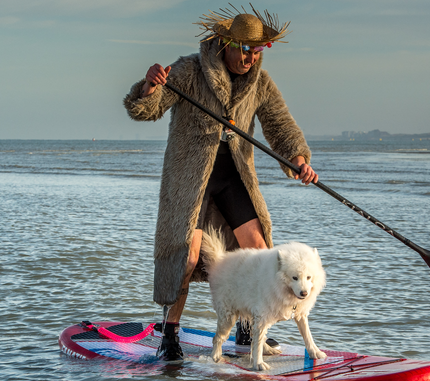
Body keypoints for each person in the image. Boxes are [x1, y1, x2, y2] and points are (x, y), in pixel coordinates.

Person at [123, 6, 318, 360]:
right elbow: (145, 110)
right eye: (243, 49)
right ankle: (170, 332)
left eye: (256, 51)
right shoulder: (188, 70)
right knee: (187, 256)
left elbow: (280, 125)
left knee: (258, 248)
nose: (249, 58)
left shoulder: (260, 81)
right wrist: (150, 85)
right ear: (225, 44)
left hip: (233, 177)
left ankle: (248, 330)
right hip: (190, 180)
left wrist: (299, 159)